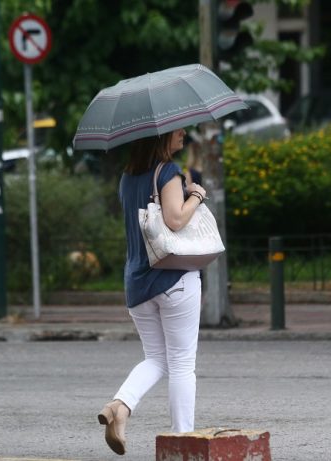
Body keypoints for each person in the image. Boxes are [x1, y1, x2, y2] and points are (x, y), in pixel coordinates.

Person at [98, 128, 207, 456]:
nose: (184, 132)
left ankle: (120, 406)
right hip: (173, 278)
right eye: (178, 129)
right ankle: (182, 441)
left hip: (138, 282)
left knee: (157, 359)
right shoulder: (169, 172)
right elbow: (174, 220)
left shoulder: (126, 178)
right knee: (182, 364)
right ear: (161, 136)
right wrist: (196, 196)